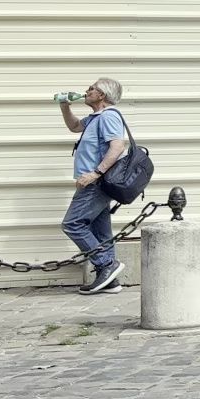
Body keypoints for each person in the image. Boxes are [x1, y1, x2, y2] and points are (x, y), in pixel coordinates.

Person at [56, 78, 131, 295]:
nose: (86, 91)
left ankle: (106, 264)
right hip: (93, 182)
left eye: (92, 88)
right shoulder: (95, 118)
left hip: (95, 183)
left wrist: (95, 173)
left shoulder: (108, 116)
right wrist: (64, 106)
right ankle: (110, 281)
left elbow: (117, 147)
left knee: (72, 224)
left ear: (103, 95)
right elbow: (74, 126)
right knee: (100, 231)